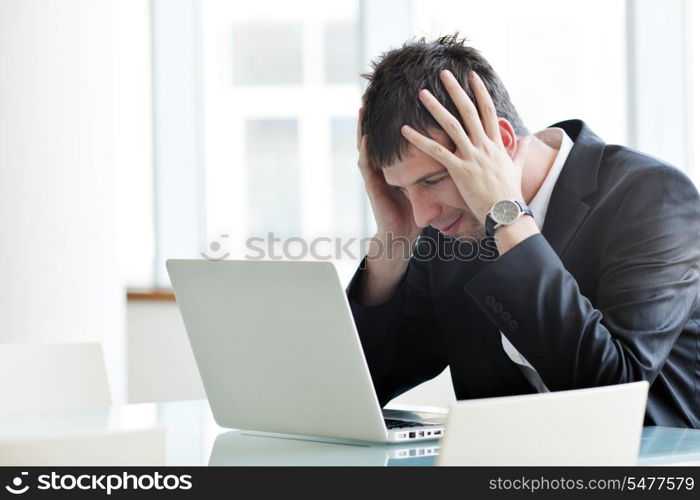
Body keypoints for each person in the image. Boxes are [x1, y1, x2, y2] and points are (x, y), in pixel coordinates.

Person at [347, 34, 700, 428]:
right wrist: (391, 245)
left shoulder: (652, 196)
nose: (422, 214)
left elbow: (611, 390)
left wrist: (508, 219)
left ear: (502, 142)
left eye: (431, 180)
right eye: (401, 189)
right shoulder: (446, 226)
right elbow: (358, 391)